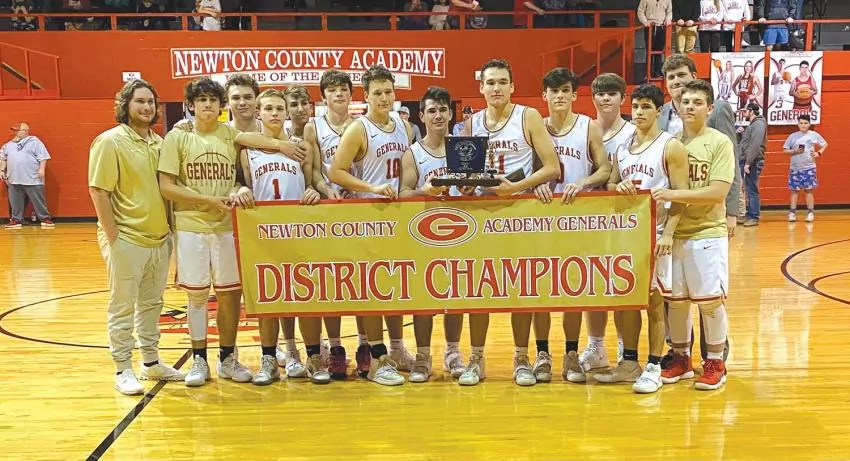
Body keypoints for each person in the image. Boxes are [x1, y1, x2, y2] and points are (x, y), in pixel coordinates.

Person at [460, 59, 559, 387]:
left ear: (512, 86)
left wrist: (517, 187)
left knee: (523, 291)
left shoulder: (527, 116)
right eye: (490, 82)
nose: (496, 88)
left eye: (502, 82)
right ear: (481, 88)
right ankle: (476, 358)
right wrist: (464, 185)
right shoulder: (471, 124)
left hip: (520, 216)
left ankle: (521, 356)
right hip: (482, 218)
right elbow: (468, 173)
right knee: (478, 292)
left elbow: (552, 167)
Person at [87, 79, 185, 395]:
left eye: (150, 102)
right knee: (123, 306)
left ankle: (151, 362)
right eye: (139, 101)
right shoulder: (110, 141)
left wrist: (170, 232)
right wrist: (114, 237)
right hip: (126, 239)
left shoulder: (159, 143)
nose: (146, 107)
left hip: (159, 238)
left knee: (152, 304)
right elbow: (98, 190)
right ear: (126, 105)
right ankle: (122, 368)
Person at [158, 76, 255, 387]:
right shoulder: (178, 137)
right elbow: (166, 186)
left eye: (213, 99)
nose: (208, 105)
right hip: (191, 226)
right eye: (202, 100)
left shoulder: (231, 135)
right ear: (191, 105)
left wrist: (239, 189)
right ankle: (199, 359)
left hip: (226, 226)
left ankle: (227, 358)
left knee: (229, 295)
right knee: (197, 295)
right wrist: (208, 200)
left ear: (221, 104)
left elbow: (240, 178)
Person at [329, 65, 417, 386]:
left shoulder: (403, 127)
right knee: (373, 290)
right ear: (365, 96)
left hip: (399, 218)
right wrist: (372, 188)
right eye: (377, 93)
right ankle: (378, 358)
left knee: (395, 287)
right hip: (368, 218)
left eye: (388, 92)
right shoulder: (358, 129)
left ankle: (396, 349)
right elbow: (336, 171)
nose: (384, 98)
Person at [599, 83, 689, 394]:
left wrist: (669, 233)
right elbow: (611, 184)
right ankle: (629, 363)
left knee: (654, 303)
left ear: (658, 110)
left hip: (657, 233)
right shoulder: (623, 147)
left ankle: (653, 366)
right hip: (627, 234)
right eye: (635, 106)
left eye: (646, 107)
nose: (639, 112)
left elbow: (681, 195)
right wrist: (619, 186)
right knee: (625, 301)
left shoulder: (670, 146)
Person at [528, 67, 611, 384]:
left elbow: (604, 169)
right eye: (554, 90)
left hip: (578, 220)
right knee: (540, 291)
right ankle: (542, 353)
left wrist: (583, 182)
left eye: (565, 90)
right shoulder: (536, 127)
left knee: (574, 290)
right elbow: (529, 169)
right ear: (544, 95)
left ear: (575, 95)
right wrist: (535, 184)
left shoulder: (588, 126)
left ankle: (572, 353)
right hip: (542, 219)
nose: (559, 96)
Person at [653, 79, 735, 391]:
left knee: (710, 302)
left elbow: (717, 192)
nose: (690, 106)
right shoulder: (670, 144)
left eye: (697, 102)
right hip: (673, 234)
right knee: (676, 302)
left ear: (709, 108)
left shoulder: (719, 142)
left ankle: (715, 361)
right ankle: (681, 359)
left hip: (706, 232)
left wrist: (674, 194)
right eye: (686, 101)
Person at [237, 88, 322, 385]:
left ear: (287, 113)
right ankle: (269, 359)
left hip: (298, 232)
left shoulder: (302, 148)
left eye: (279, 108)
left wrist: (312, 192)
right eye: (268, 108)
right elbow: (242, 184)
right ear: (258, 113)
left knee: (306, 297)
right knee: (268, 300)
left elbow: (310, 184)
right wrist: (240, 189)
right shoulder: (247, 151)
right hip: (263, 235)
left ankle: (314, 357)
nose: (274, 113)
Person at [570, 72, 637, 370]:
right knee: (592, 284)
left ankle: (625, 347)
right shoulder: (584, 128)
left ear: (623, 98)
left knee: (622, 285)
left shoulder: (634, 132)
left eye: (612, 93)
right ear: (593, 97)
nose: (606, 98)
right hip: (589, 217)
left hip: (624, 217)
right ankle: (596, 347)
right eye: (600, 93)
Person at [398, 85, 464, 383]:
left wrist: (469, 188)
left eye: (443, 110)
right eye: (432, 111)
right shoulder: (413, 153)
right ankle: (423, 355)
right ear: (422, 116)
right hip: (424, 233)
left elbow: (476, 185)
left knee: (457, 296)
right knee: (423, 298)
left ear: (450, 114)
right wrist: (424, 191)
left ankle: (453, 353)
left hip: (461, 230)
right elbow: (403, 193)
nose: (438, 115)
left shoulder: (464, 148)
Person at [1, 122, 54, 229]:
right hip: (14, 178)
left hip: (32, 178)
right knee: (15, 201)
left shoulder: (35, 142)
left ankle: (45, 218)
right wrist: (2, 170)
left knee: (38, 199)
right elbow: (3, 158)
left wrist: (41, 169)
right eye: (14, 130)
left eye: (18, 130)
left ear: (25, 131)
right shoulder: (8, 145)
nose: (15, 132)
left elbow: (43, 157)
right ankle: (16, 219)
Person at [782, 114, 827, 223]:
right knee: (794, 191)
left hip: (809, 168)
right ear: (798, 124)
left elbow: (825, 144)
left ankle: (810, 213)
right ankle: (792, 213)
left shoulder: (814, 135)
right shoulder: (793, 136)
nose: (803, 125)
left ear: (809, 124)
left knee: (808, 190)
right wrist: (794, 151)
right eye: (801, 123)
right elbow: (785, 150)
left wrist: (819, 152)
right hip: (795, 168)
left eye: (806, 123)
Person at [740, 103, 767, 227]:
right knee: (749, 189)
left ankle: (754, 217)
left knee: (752, 190)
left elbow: (755, 144)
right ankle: (750, 214)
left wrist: (748, 162)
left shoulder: (758, 124)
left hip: (753, 162)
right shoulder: (754, 124)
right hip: (750, 161)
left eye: (745, 111)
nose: (744, 113)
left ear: (751, 111)